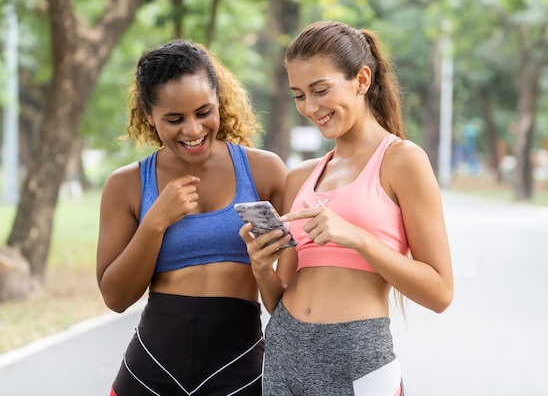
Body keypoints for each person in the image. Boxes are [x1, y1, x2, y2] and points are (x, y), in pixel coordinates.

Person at [239, 21, 454, 395]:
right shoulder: (301, 177)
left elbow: (439, 293)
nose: (310, 107)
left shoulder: (402, 161)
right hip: (284, 352)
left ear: (362, 80)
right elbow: (281, 296)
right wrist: (261, 268)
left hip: (358, 358)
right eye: (299, 95)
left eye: (320, 90)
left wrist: (358, 238)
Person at [96, 39, 287, 396]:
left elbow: (293, 296)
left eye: (204, 112)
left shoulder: (264, 172)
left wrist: (263, 268)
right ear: (149, 115)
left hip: (240, 371)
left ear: (219, 100)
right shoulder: (126, 185)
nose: (194, 130)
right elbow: (116, 297)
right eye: (174, 119)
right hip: (149, 374)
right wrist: (155, 222)